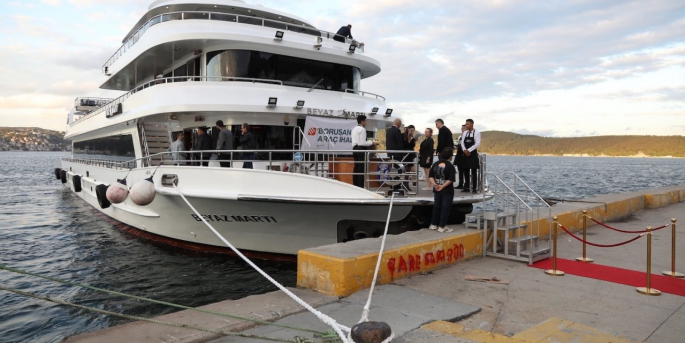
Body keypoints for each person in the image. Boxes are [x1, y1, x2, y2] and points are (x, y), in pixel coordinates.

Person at [428, 147, 456, 233]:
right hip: (447, 190)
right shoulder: (451, 166)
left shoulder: (435, 164)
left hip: (436, 189)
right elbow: (450, 179)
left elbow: (431, 176)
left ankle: (433, 224)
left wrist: (435, 184)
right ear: (450, 156)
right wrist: (443, 186)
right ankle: (442, 226)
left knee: (437, 207)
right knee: (445, 208)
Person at [351, 115, 378, 188]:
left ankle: (355, 185)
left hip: (354, 149)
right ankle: (360, 186)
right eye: (365, 121)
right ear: (362, 121)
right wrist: (372, 143)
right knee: (361, 169)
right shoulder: (362, 129)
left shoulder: (354, 129)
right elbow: (362, 143)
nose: (366, 122)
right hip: (360, 149)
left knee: (356, 168)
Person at [461, 119, 481, 193]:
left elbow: (477, 143)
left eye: (467, 124)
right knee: (465, 170)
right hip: (465, 153)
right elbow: (462, 142)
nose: (466, 125)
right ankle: (467, 187)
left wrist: (469, 150)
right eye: (466, 124)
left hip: (472, 154)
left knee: (473, 171)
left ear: (472, 124)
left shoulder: (477, 133)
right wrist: (464, 150)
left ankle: (474, 188)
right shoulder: (465, 133)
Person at [385, 118, 404, 191]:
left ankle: (391, 184)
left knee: (391, 169)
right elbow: (399, 143)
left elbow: (387, 143)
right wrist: (402, 153)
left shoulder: (388, 131)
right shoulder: (397, 131)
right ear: (398, 124)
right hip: (397, 154)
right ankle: (397, 186)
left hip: (390, 153)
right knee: (398, 169)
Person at [402, 125, 417, 190]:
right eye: (411, 130)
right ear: (408, 129)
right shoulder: (403, 135)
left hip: (410, 155)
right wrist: (409, 139)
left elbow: (412, 146)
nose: (412, 132)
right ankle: (404, 185)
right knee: (405, 170)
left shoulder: (412, 137)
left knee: (408, 170)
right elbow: (403, 145)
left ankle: (406, 185)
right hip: (405, 154)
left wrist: (414, 140)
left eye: (413, 131)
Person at [454, 125, 467, 189]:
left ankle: (466, 184)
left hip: (465, 155)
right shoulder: (459, 136)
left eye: (464, 128)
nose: (462, 129)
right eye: (462, 128)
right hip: (459, 154)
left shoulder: (467, 136)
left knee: (465, 170)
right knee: (460, 170)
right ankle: (460, 183)